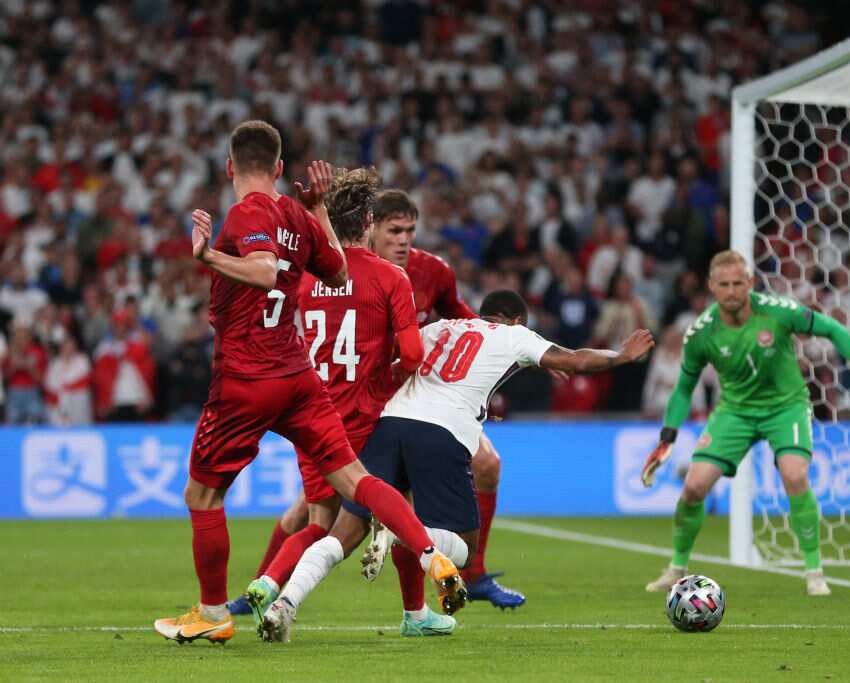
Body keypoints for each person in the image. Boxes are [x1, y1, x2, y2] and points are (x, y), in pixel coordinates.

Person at [153, 121, 462, 645]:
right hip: (298, 378)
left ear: (231, 167)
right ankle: (432, 557)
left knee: (203, 497)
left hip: (248, 376)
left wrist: (208, 257)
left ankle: (212, 613)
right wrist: (318, 209)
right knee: (356, 482)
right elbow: (340, 273)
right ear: (278, 168)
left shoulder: (252, 211)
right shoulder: (297, 214)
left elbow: (265, 270)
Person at [257, 289, 655, 641]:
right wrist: (622, 356)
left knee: (341, 534)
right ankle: (400, 534)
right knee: (464, 546)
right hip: (442, 434)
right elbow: (576, 362)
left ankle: (285, 605)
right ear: (517, 320)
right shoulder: (515, 335)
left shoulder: (441, 328)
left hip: (389, 425)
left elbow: (395, 364)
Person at [235, 189, 531, 612]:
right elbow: (409, 352)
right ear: (371, 230)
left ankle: (468, 577)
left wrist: (519, 350)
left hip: (394, 400)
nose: (405, 239)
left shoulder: (431, 271)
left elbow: (467, 321)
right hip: (373, 404)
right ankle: (412, 606)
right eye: (395, 230)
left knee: (484, 464)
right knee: (341, 511)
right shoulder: (375, 275)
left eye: (411, 230)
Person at [640, 250, 850, 597]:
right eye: (724, 284)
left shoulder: (778, 312)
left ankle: (814, 572)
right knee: (694, 487)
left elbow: (832, 328)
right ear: (712, 287)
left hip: (785, 407)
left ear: (750, 283)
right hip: (735, 411)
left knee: (794, 474)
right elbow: (684, 388)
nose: (732, 291)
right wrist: (667, 438)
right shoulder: (701, 333)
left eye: (738, 283)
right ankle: (677, 567)